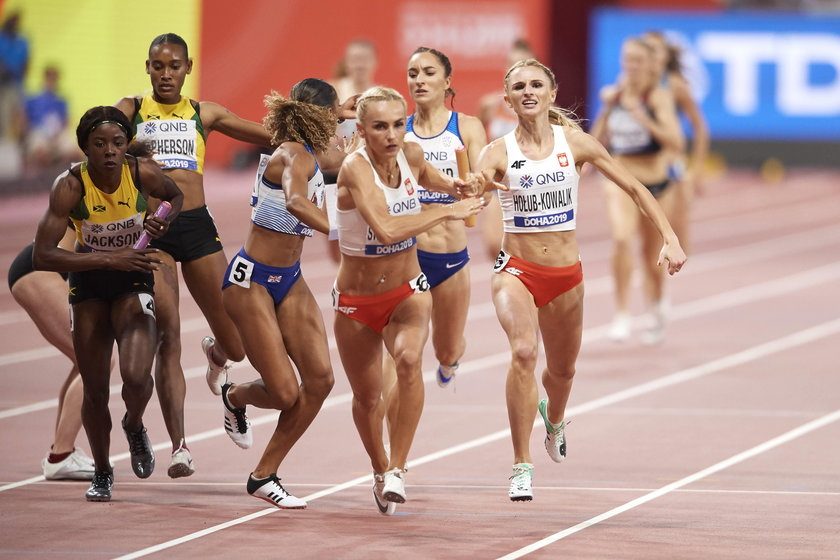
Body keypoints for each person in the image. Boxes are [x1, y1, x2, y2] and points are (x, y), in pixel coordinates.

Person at [477, 59, 685, 502]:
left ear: (552, 94)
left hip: (566, 276)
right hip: (516, 271)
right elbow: (474, 193)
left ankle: (554, 419)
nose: (528, 91)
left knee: (563, 371)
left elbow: (634, 188)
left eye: (537, 85)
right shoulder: (496, 152)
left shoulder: (576, 144)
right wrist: (465, 195)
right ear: (508, 98)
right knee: (523, 351)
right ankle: (521, 464)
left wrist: (669, 237)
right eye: (519, 86)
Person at [115, 33, 272, 477]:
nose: (167, 74)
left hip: (198, 228)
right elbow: (94, 141)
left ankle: (217, 356)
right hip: (155, 233)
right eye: (159, 66)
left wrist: (328, 117)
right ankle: (180, 447)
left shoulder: (206, 113)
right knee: (168, 333)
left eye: (175, 66)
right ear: (147, 67)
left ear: (188, 67)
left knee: (239, 344)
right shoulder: (131, 110)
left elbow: (271, 133)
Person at [333, 86, 484, 515]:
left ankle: (399, 467)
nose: (393, 135)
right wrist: (445, 212)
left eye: (399, 124)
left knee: (407, 362)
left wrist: (461, 186)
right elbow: (385, 228)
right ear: (361, 130)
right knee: (367, 399)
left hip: (407, 291)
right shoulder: (354, 169)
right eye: (380, 127)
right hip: (358, 302)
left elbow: (439, 183)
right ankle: (380, 469)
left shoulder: (412, 155)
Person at [32, 105, 183, 501]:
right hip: (90, 287)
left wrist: (162, 220)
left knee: (136, 377)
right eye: (99, 144)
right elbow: (42, 256)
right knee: (96, 390)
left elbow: (175, 195)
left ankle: (134, 424)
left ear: (126, 145)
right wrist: (108, 257)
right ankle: (102, 470)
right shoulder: (70, 186)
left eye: (117, 142)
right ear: (85, 148)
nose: (110, 151)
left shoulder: (141, 172)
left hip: (133, 279)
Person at [215, 79, 341, 509]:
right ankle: (234, 396)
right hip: (251, 281)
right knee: (285, 393)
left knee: (321, 380)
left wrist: (350, 114)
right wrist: (344, 229)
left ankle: (263, 474)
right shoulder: (292, 154)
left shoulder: (311, 148)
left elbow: (341, 144)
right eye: (334, 114)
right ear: (319, 117)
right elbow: (296, 203)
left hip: (289, 278)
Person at [589, 37, 684, 345]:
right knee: (620, 238)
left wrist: (643, 117)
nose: (631, 65)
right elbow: (596, 139)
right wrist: (607, 109)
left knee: (650, 257)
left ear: (649, 64)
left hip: (656, 184)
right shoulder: (614, 95)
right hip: (622, 181)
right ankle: (622, 313)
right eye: (626, 59)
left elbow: (676, 142)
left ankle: (656, 307)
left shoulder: (657, 97)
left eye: (637, 60)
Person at [404, 46, 488, 387]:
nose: (420, 80)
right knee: (404, 354)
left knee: (446, 348)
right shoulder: (399, 132)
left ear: (447, 81)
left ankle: (450, 361)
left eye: (428, 73)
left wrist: (478, 183)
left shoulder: (466, 127)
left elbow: (486, 178)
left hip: (450, 257)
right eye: (413, 74)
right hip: (405, 255)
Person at [9, 228, 95, 481]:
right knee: (95, 361)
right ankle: (60, 456)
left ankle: (62, 448)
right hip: (38, 271)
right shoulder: (92, 189)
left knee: (83, 362)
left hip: (40, 268)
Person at [643, 30, 709, 254]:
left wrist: (697, 170)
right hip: (640, 164)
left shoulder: (675, 84)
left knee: (678, 238)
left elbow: (700, 128)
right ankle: (655, 286)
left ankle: (666, 287)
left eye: (656, 50)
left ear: (666, 56)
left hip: (671, 165)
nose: (650, 55)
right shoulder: (631, 84)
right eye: (646, 49)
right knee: (646, 239)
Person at [477, 39, 536, 261]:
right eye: (511, 64)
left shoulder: (540, 106)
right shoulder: (490, 104)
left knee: (526, 251)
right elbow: (479, 140)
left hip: (530, 184)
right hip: (499, 184)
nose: (516, 70)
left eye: (522, 64)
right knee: (494, 245)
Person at [23, 66, 79, 168]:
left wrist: (58, 135)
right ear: (45, 79)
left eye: (54, 79)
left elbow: (66, 121)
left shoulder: (61, 101)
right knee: (40, 150)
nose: (52, 81)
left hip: (58, 134)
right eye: (50, 78)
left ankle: (63, 173)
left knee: (73, 151)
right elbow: (26, 121)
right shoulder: (33, 99)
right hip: (39, 132)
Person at [0, 11, 28, 143]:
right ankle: (6, 142)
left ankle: (18, 143)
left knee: (19, 117)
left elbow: (26, 62)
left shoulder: (22, 41)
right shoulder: (1, 39)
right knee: (4, 116)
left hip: (17, 85)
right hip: (3, 86)